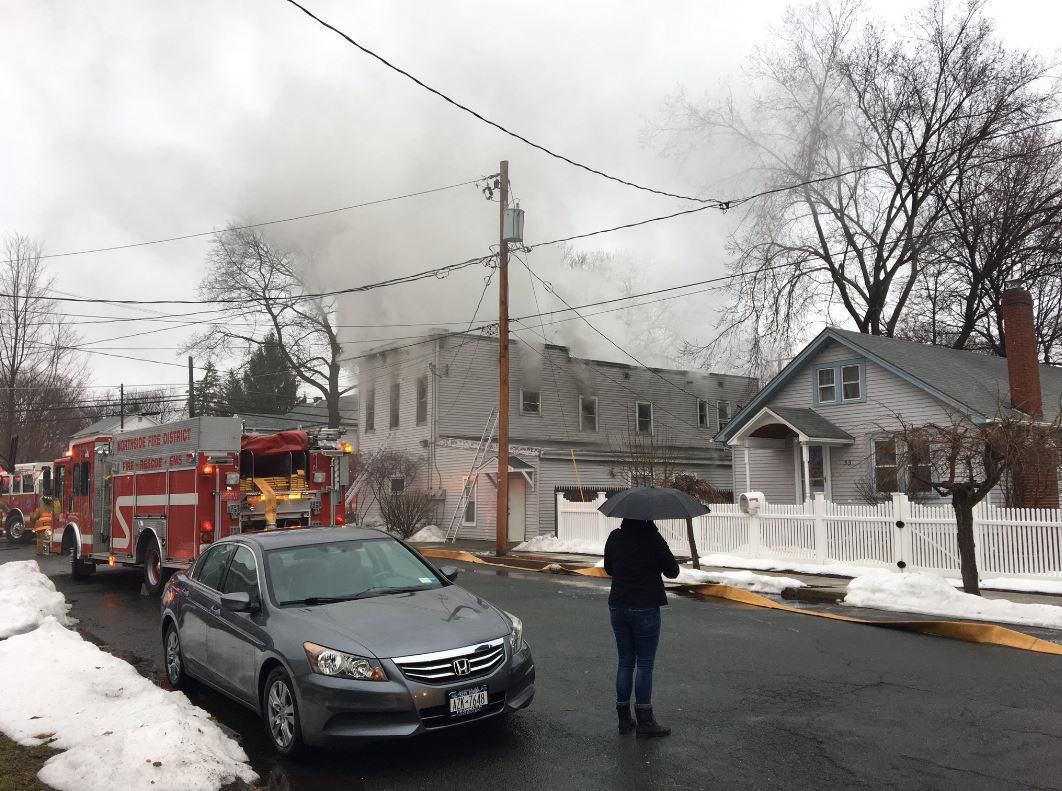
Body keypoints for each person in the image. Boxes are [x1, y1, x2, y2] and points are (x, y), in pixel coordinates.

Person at [603, 518, 680, 737]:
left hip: (618, 606)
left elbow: (609, 568)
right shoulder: (653, 538)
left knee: (625, 662)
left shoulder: (615, 537)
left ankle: (624, 719)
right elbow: (672, 571)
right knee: (645, 664)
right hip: (645, 607)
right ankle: (645, 721)